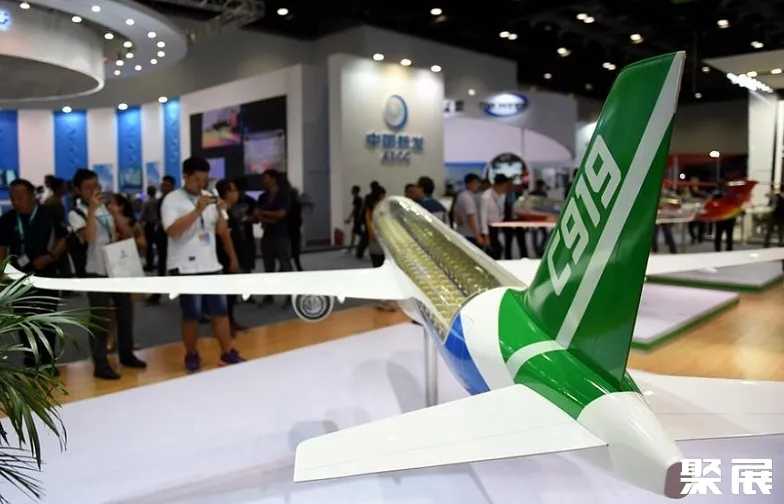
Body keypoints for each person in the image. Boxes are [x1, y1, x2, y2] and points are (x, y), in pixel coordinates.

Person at [161, 157, 244, 372]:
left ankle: (227, 351)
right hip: (185, 267)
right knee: (192, 314)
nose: (201, 184)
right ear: (185, 176)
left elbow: (220, 231)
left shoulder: (209, 197)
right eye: (196, 179)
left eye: (204, 180)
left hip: (211, 264)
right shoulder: (172, 200)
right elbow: (172, 231)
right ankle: (191, 354)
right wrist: (197, 210)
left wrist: (222, 212)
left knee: (221, 311)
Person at [69, 169, 146, 379]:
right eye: (88, 187)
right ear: (78, 190)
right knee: (100, 319)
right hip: (96, 271)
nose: (94, 190)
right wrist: (92, 211)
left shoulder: (106, 207)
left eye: (96, 186)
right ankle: (100, 363)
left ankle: (127, 354)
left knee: (125, 313)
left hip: (117, 268)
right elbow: (89, 238)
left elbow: (127, 234)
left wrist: (116, 215)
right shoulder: (76, 213)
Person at [0, 179, 69, 374]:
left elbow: (63, 240)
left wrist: (50, 256)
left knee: (47, 318)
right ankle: (31, 359)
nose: (15, 201)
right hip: (18, 278)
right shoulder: (7, 220)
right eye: (12, 197)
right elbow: (2, 249)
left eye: (19, 197)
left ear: (32, 196)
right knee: (24, 320)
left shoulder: (49, 215)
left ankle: (48, 360)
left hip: (46, 274)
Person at [255, 169, 294, 306]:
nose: (263, 181)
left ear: (273, 179)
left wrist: (265, 214)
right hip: (267, 235)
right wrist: (270, 217)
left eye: (266, 178)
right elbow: (257, 215)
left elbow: (281, 214)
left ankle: (291, 295)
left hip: (282, 235)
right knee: (268, 267)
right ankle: (269, 295)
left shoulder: (284, 195)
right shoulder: (263, 197)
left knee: (285, 266)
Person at [214, 179, 249, 334]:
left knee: (232, 292)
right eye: (233, 190)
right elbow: (224, 236)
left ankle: (230, 321)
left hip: (234, 253)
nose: (237, 193)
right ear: (226, 193)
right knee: (226, 293)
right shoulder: (222, 211)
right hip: (225, 257)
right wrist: (233, 258)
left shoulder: (229, 210)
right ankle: (224, 326)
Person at [146, 175, 176, 305]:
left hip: (174, 236)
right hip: (163, 236)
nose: (164, 187)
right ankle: (157, 294)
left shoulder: (176, 200)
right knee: (162, 265)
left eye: (167, 185)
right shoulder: (161, 200)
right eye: (163, 185)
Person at [366, 186, 395, 311]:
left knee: (385, 273)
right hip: (378, 245)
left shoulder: (382, 209)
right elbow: (370, 230)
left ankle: (384, 299)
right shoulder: (373, 210)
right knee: (380, 272)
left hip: (383, 244)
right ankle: (382, 300)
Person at [480, 174, 511, 259]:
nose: (506, 188)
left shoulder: (503, 195)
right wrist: (486, 235)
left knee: (497, 249)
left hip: (497, 225)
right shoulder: (486, 196)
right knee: (496, 249)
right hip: (488, 228)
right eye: (504, 186)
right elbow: (483, 217)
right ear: (498, 185)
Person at [451, 173, 485, 246]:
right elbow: (470, 218)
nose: (477, 185)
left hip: (462, 232)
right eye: (475, 183)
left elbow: (456, 215)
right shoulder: (468, 199)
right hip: (470, 234)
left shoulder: (461, 196)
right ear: (468, 184)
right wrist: (478, 236)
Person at [355, 181, 380, 259]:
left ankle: (360, 252)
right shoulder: (374, 197)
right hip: (371, 218)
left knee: (366, 236)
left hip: (368, 218)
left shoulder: (369, 197)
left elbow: (364, 207)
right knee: (367, 236)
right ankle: (362, 252)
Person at [140, 185, 159, 271]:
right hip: (158, 225)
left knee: (149, 246)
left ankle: (149, 265)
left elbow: (143, 214)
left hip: (149, 225)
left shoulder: (147, 202)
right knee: (158, 246)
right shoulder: (158, 201)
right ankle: (158, 263)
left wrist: (139, 223)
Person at [344, 185, 363, 252]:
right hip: (358, 218)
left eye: (352, 190)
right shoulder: (359, 199)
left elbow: (354, 209)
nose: (351, 191)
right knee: (355, 232)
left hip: (357, 218)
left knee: (355, 233)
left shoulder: (357, 199)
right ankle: (352, 247)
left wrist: (349, 218)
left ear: (355, 191)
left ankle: (352, 248)